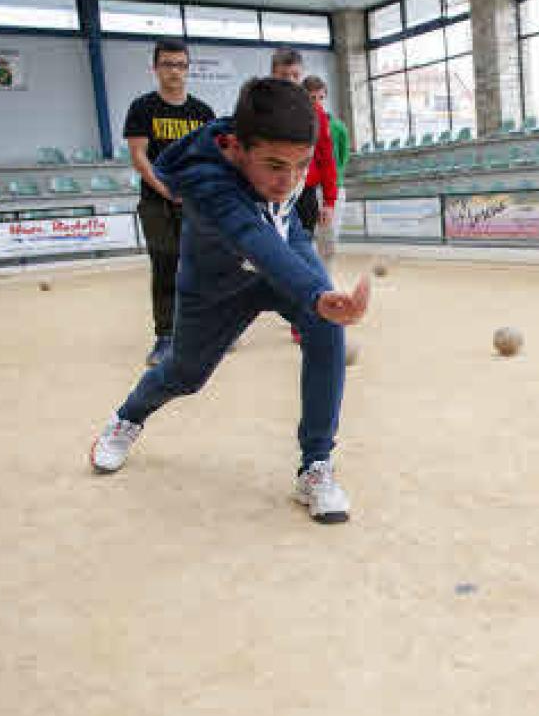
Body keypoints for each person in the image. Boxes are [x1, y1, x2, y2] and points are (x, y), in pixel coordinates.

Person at [89, 78, 370, 524]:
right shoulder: (204, 178)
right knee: (185, 375)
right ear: (237, 147)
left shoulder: (283, 165)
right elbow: (250, 235)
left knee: (325, 326)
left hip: (283, 253)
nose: (288, 181)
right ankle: (127, 418)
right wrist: (314, 293)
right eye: (275, 166)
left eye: (300, 167)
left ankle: (315, 465)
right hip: (215, 286)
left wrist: (318, 298)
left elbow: (280, 230)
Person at [123, 39, 216, 367]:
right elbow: (138, 157)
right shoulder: (142, 108)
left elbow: (211, 158)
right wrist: (167, 190)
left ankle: (202, 330)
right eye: (167, 64)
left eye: (180, 65)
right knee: (165, 264)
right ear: (156, 68)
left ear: (188, 69)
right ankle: (166, 336)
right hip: (156, 202)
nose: (174, 71)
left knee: (200, 265)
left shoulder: (203, 113)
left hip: (196, 202)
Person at [270, 48, 337, 344]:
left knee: (302, 254)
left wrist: (330, 201)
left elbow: (327, 159)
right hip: (270, 194)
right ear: (273, 74)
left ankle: (304, 316)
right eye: (283, 76)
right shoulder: (262, 109)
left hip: (305, 195)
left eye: (295, 76)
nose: (289, 81)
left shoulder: (317, 115)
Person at [302, 74, 350, 254]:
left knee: (328, 240)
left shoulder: (338, 127)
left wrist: (333, 184)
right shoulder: (300, 123)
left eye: (320, 97)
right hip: (309, 188)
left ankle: (325, 279)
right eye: (311, 97)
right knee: (306, 238)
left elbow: (342, 157)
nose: (317, 102)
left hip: (332, 187)